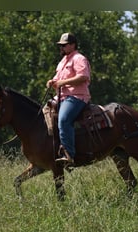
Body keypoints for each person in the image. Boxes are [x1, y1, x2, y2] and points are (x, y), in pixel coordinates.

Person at [46, 33, 91, 165]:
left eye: (64, 45)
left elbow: (83, 77)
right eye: (60, 45)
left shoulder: (79, 58)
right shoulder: (63, 61)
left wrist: (62, 83)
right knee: (43, 115)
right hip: (61, 97)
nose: (61, 48)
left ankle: (69, 154)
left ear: (73, 45)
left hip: (77, 96)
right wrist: (52, 81)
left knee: (64, 119)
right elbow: (58, 78)